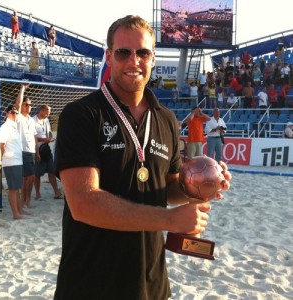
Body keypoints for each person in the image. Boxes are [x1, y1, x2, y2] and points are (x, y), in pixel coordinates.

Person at [54, 15, 230, 300]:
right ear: (110, 56)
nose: (133, 61)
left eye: (143, 53)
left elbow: (169, 188)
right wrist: (169, 220)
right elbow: (83, 203)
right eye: (124, 52)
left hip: (151, 284)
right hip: (90, 283)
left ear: (153, 58)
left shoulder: (167, 119)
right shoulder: (81, 115)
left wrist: (199, 186)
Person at [0, 105, 25, 219]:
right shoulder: (5, 127)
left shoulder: (14, 126)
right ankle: (15, 213)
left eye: (16, 113)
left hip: (18, 160)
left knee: (17, 187)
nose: (15, 114)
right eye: (12, 112)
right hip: (10, 161)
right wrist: (1, 160)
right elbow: (1, 145)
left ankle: (19, 210)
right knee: (13, 189)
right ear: (7, 114)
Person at [15, 84, 38, 208]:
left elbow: (34, 136)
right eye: (26, 104)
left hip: (31, 151)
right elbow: (17, 105)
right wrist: (22, 88)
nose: (28, 107)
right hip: (22, 150)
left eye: (30, 105)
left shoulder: (31, 119)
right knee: (30, 177)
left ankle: (25, 200)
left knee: (27, 178)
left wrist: (37, 151)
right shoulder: (18, 117)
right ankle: (26, 200)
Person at [33, 105, 62, 200]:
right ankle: (37, 194)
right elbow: (33, 137)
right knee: (37, 174)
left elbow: (49, 131)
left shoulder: (46, 120)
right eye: (46, 113)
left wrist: (50, 138)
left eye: (49, 114)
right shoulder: (33, 121)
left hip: (46, 148)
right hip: (37, 149)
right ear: (41, 110)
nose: (47, 115)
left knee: (51, 171)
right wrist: (44, 139)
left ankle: (57, 192)